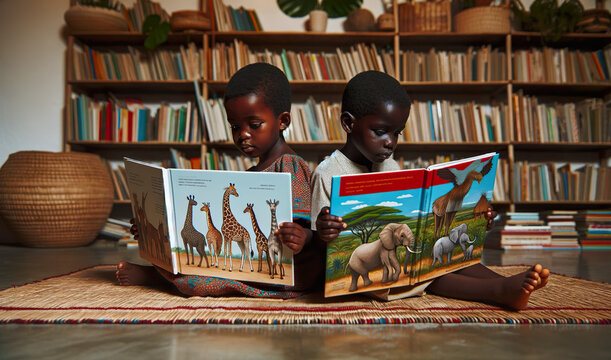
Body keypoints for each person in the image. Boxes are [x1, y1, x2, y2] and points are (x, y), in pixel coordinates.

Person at [311, 70, 549, 310]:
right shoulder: (327, 174)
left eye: (397, 133)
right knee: (429, 273)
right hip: (371, 267)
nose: (391, 142)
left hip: (399, 250)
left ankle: (506, 282)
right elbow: (315, 252)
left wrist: (479, 219)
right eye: (381, 131)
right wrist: (323, 234)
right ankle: (498, 291)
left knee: (449, 253)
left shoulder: (390, 166)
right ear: (348, 123)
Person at [117, 63, 323, 298]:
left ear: (283, 121)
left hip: (286, 270)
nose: (242, 134)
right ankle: (164, 272)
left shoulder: (291, 166)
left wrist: (303, 238)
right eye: (235, 126)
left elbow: (310, 229)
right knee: (194, 259)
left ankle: (158, 278)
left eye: (254, 125)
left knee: (203, 283)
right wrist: (147, 228)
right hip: (249, 265)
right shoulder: (251, 173)